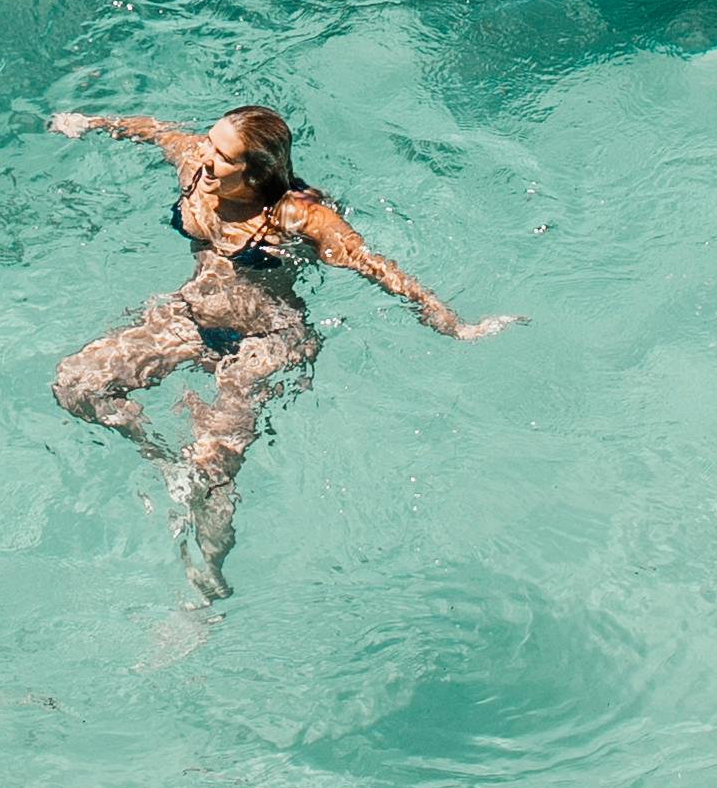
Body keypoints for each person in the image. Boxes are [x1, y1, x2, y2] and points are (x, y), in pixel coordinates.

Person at [48, 101, 512, 602]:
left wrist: (453, 325)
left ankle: (206, 586)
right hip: (189, 315)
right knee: (74, 383)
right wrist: (90, 123)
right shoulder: (194, 168)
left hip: (265, 340)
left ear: (255, 172)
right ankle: (158, 457)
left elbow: (377, 268)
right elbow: (156, 130)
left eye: (222, 155)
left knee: (210, 469)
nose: (205, 157)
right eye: (208, 142)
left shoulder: (296, 216)